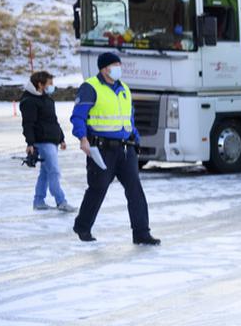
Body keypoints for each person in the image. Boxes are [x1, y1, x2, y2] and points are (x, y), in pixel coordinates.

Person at [70, 52, 159, 245]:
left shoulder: (124, 88)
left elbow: (129, 118)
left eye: (120, 63)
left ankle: (141, 232)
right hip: (101, 149)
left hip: (126, 149)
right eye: (115, 64)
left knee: (135, 189)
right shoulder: (90, 87)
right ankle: (83, 226)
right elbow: (78, 116)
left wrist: (135, 137)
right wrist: (82, 138)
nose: (119, 67)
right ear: (104, 68)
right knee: (98, 188)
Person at [20, 71, 71, 213]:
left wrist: (61, 138)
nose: (52, 86)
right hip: (42, 141)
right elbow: (28, 124)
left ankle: (39, 201)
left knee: (45, 173)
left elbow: (53, 120)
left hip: (52, 140)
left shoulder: (47, 99)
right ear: (40, 84)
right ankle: (61, 201)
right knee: (54, 171)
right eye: (50, 84)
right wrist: (30, 143)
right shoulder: (29, 101)